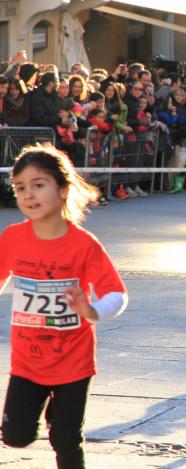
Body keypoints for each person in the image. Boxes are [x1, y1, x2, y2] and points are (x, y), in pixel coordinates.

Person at [1, 144, 128, 468]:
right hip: (27, 362)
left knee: (66, 440)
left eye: (38, 184)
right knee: (15, 435)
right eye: (20, 188)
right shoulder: (13, 238)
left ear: (62, 188)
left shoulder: (83, 244)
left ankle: (60, 416)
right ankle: (48, 407)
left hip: (73, 362)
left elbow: (117, 292)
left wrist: (92, 312)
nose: (28, 194)